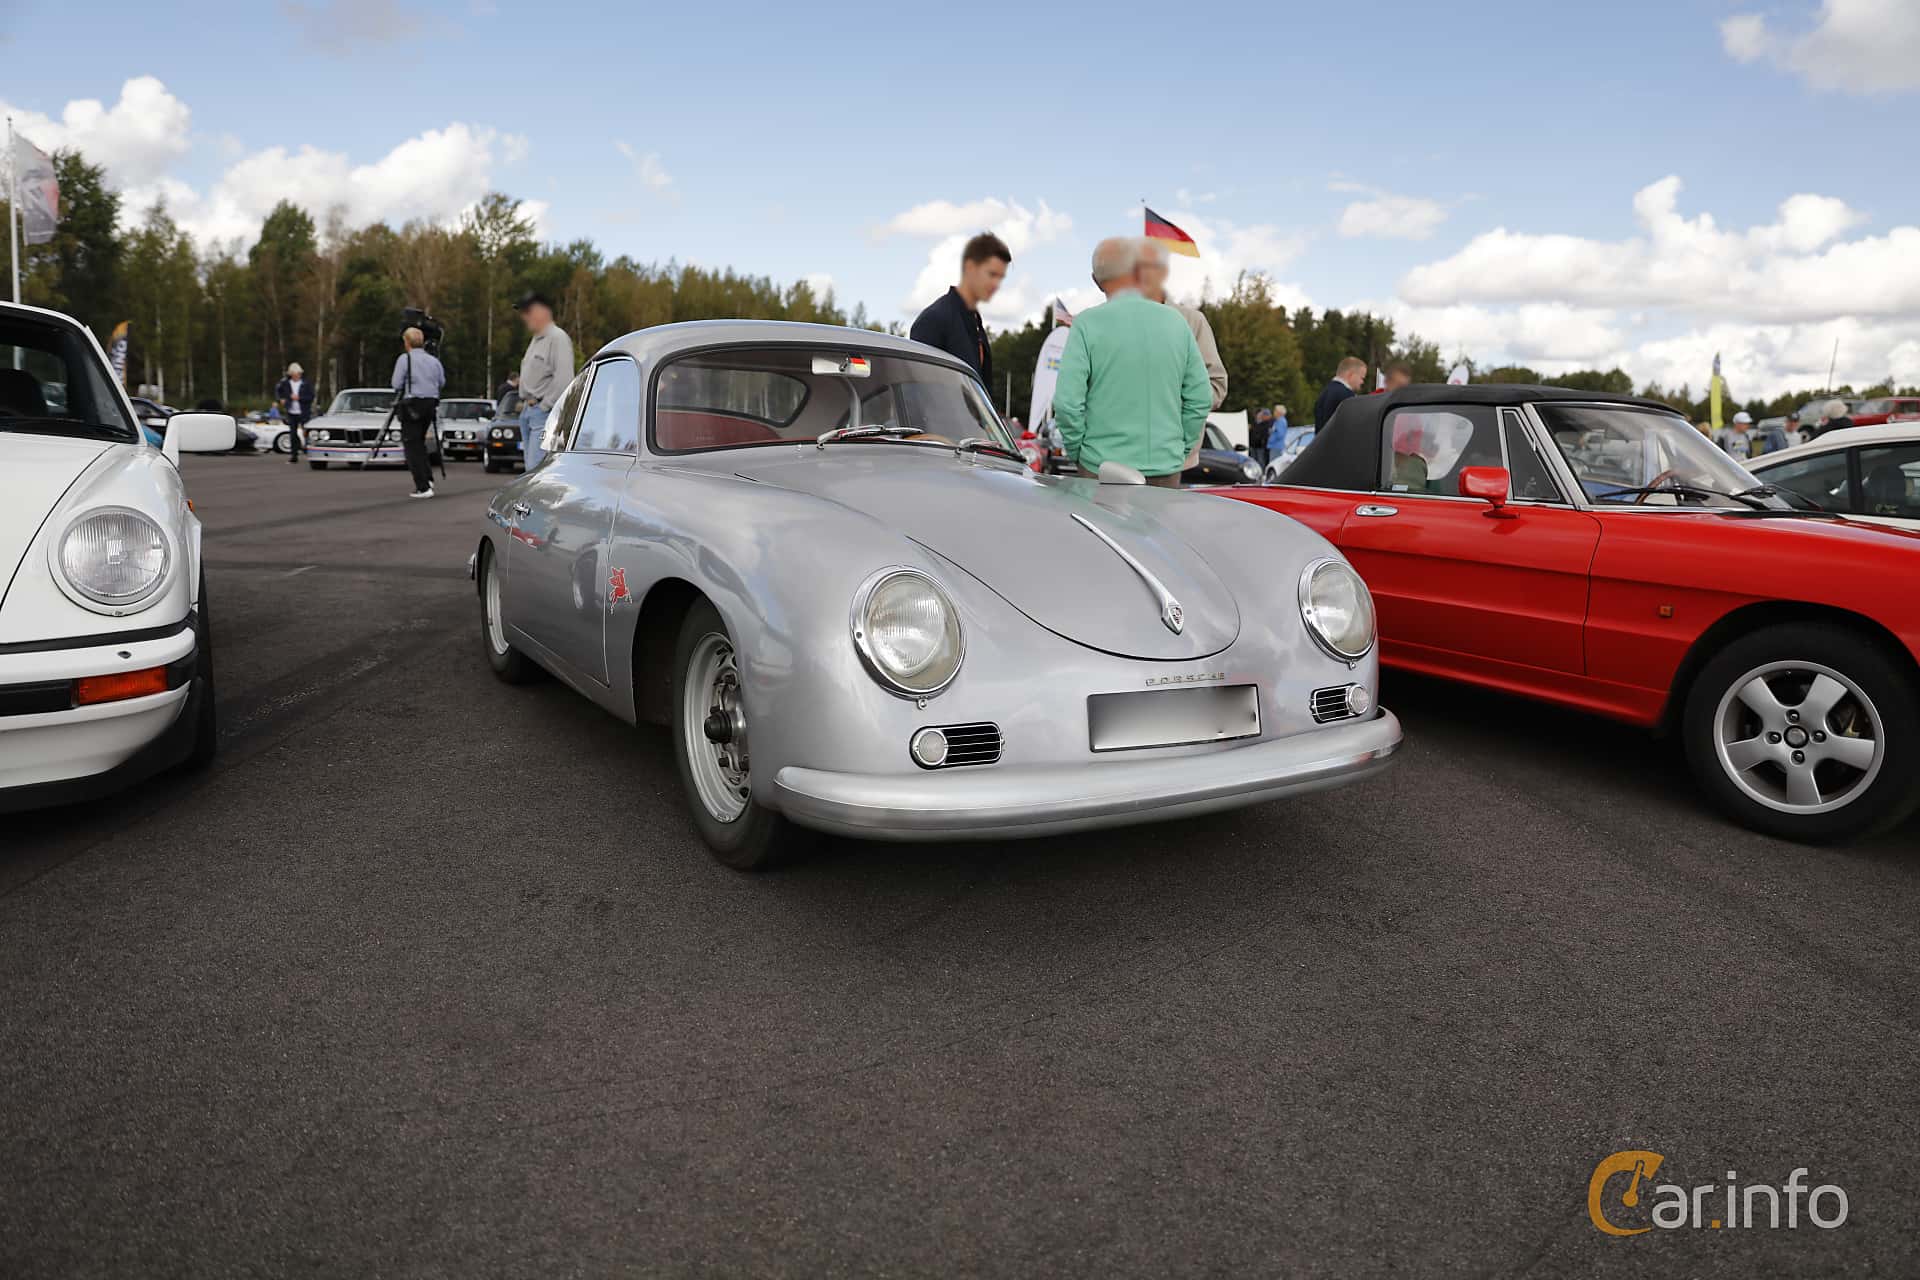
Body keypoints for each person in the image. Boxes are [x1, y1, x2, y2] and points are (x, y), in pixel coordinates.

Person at [1051, 237, 1210, 488]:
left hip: (1100, 467)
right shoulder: (1177, 322)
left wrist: (1077, 451)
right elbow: (1201, 398)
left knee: (1100, 529)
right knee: (1159, 529)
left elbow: (1066, 403)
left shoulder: (1085, 324)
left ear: (1095, 279)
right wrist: (1181, 449)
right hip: (1166, 466)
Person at [909, 232, 1009, 385]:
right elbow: (919, 392)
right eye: (991, 274)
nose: (996, 285)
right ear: (970, 268)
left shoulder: (975, 322)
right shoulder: (934, 319)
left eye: (1000, 278)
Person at [516, 292, 575, 470]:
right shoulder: (536, 339)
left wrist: (544, 406)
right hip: (529, 413)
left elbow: (565, 380)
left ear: (543, 311)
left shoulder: (557, 338)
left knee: (536, 473)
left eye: (528, 312)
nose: (524, 317)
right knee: (530, 472)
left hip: (543, 414)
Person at [390, 326, 446, 498]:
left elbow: (396, 383)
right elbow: (441, 382)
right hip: (430, 404)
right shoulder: (434, 361)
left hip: (412, 404)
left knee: (412, 446)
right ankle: (428, 478)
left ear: (407, 342)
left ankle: (422, 486)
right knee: (420, 443)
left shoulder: (405, 359)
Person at [274, 361, 314, 463]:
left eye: (298, 374)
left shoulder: (306, 384)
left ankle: (309, 451)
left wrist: (299, 398)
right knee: (292, 434)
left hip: (304, 412)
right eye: (294, 374)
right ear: (291, 374)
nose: (296, 376)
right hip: (291, 412)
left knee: (307, 432)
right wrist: (281, 399)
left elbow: (311, 397)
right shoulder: (285, 383)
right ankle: (294, 455)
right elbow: (278, 390)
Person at [1315, 357, 1366, 429]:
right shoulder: (1347, 396)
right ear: (1351, 375)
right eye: (1362, 378)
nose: (1362, 382)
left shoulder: (1324, 392)